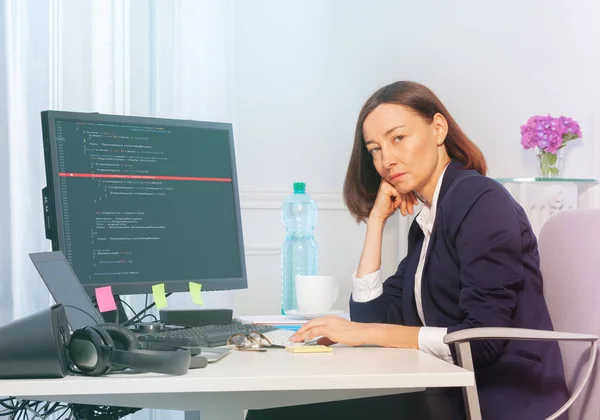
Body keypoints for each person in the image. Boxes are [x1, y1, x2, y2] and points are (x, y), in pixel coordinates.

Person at [246, 81, 569, 420]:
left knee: (279, 414)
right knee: (276, 410)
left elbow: (482, 342)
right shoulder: (428, 221)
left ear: (438, 128)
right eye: (374, 149)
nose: (386, 160)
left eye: (398, 138)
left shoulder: (480, 201)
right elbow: (372, 317)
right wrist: (376, 221)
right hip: (448, 394)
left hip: (500, 400)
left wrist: (366, 332)